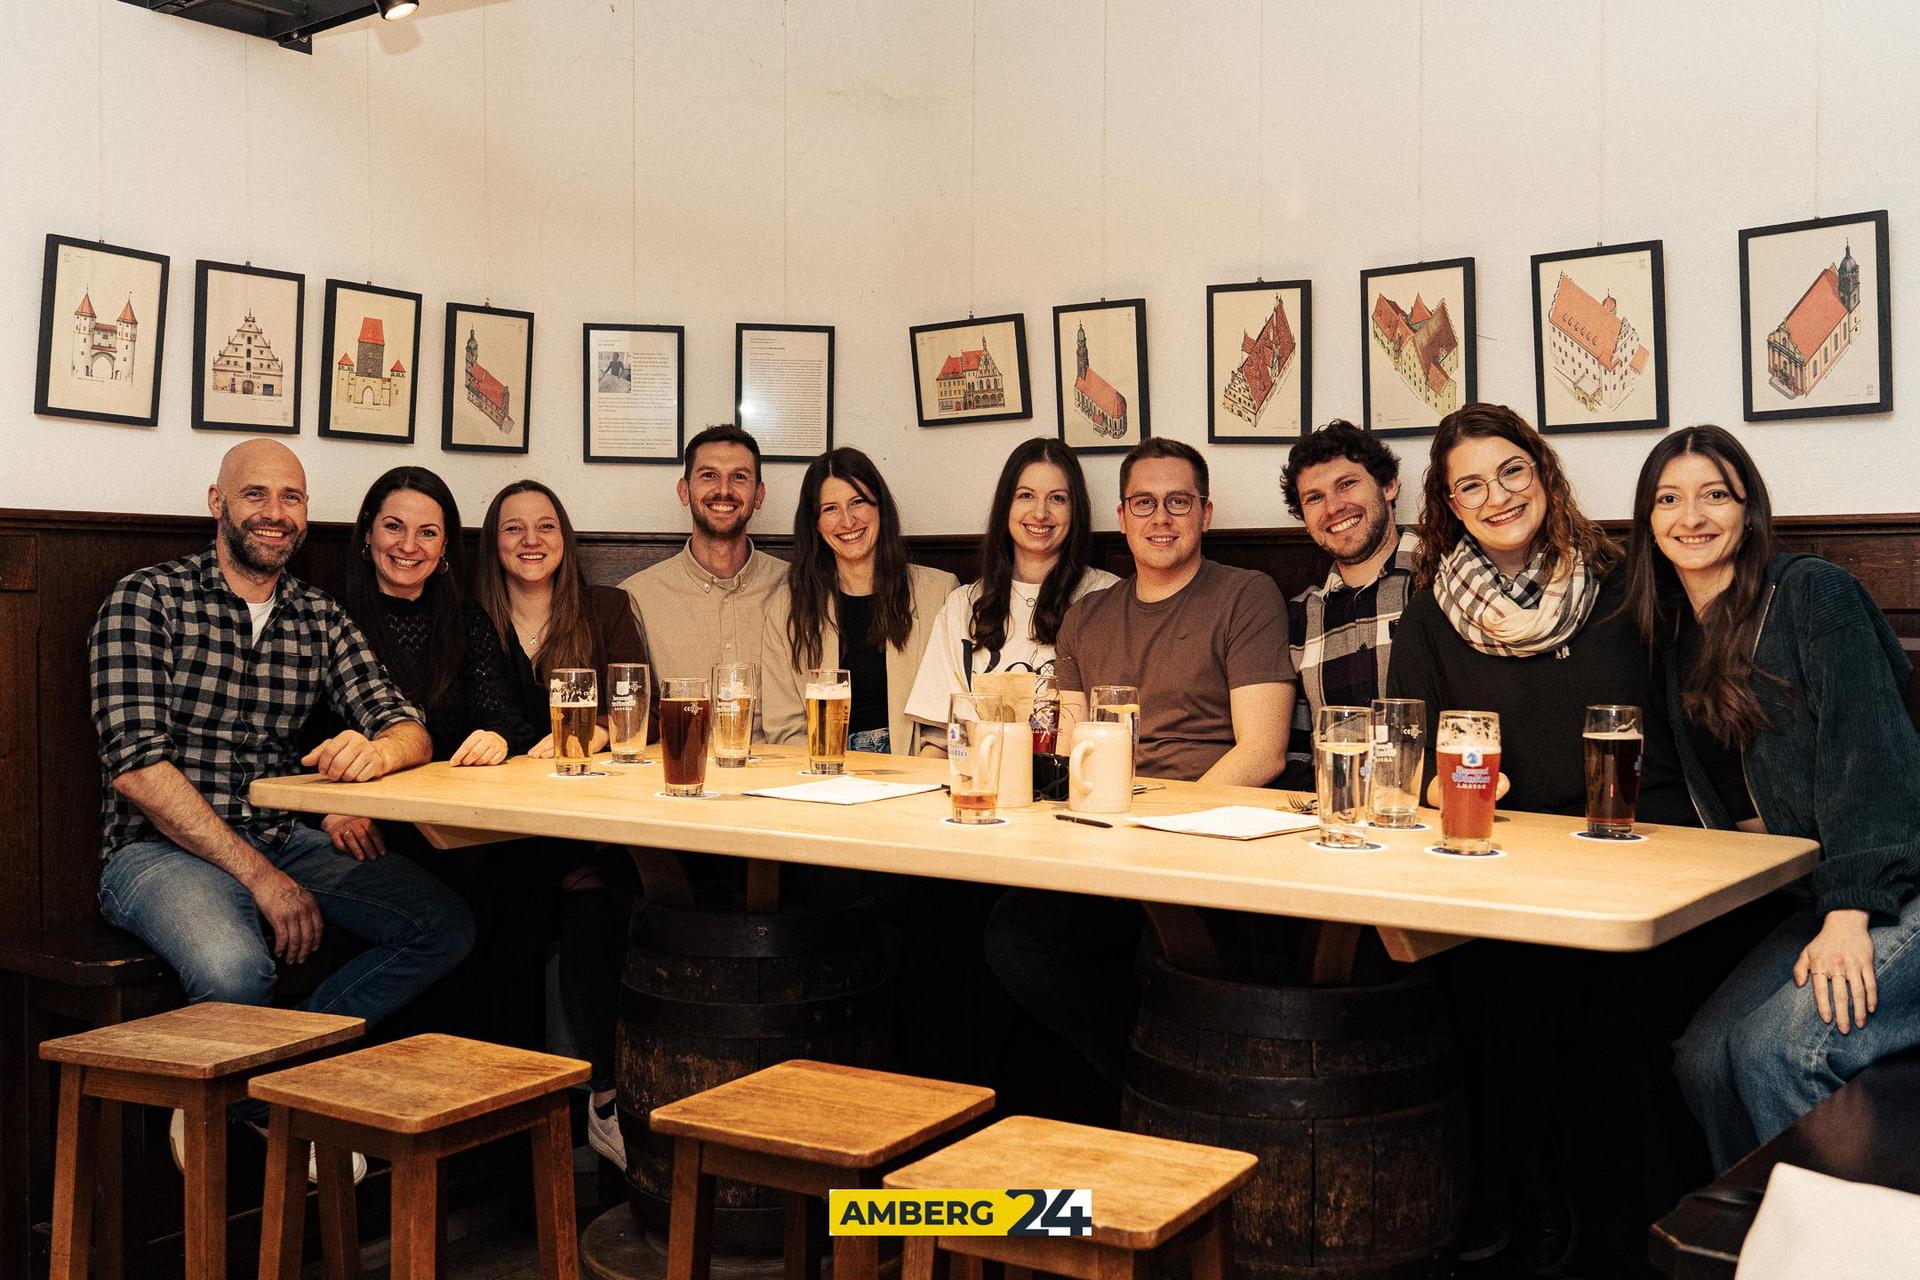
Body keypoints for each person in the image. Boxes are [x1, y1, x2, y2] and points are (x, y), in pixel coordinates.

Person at [89, 440, 473, 1173]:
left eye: (291, 498)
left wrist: (378, 752)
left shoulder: (317, 615)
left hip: (278, 835)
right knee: (239, 971)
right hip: (153, 851)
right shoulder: (146, 598)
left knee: (442, 925)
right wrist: (264, 879)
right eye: (256, 495)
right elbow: (138, 770)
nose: (275, 514)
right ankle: (285, 1104)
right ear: (217, 504)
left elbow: (407, 724)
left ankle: (249, 1087)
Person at [1384, 403, 1706, 1273]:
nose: (1497, 497)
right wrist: (1438, 786)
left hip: (1643, 856)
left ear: (1544, 471)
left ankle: (1630, 1228)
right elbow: (1407, 755)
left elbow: (1697, 728)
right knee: (1491, 990)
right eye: (1470, 486)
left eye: (1511, 471)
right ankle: (1533, 1209)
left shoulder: (1631, 581)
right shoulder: (1428, 619)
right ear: (1449, 506)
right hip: (1508, 867)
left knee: (1608, 1005)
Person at [1624, 426, 1920, 1172]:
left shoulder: (1813, 595)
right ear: (1648, 521)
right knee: (1700, 1059)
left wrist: (1851, 912)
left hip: (1895, 886)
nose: (1691, 516)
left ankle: (1847, 1251)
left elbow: (1874, 762)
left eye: (1714, 494)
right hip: (1811, 896)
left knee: (1775, 1052)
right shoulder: (1673, 639)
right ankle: (1757, 1239)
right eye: (1669, 498)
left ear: (1748, 510)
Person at [984, 437, 1292, 1108]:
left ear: (1205, 513)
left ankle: (1162, 1095)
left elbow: (1263, 751)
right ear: (1121, 518)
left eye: (1178, 502)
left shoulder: (1246, 594)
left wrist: (1159, 833)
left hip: (1208, 841)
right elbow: (1067, 749)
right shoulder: (1086, 617)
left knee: (1159, 955)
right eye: (1144, 503)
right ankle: (1146, 1082)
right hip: (1105, 839)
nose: (1161, 518)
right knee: (1011, 935)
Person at [475, 478, 654, 1167]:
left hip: (586, 819)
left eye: (545, 526)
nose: (530, 540)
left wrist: (596, 735)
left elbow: (641, 702)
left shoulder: (605, 607)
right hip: (499, 829)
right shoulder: (473, 619)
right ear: (494, 544)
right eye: (513, 528)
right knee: (519, 902)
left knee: (597, 890)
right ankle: (513, 1137)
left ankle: (603, 1102)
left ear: (565, 538)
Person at [904, 437, 1118, 755]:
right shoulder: (963, 605)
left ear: (1076, 511)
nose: (1040, 512)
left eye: (1057, 498)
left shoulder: (1107, 597)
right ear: (1006, 505)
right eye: (1025, 496)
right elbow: (939, 738)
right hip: (979, 786)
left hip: (1068, 786)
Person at [763, 447, 957, 755]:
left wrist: (917, 779)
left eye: (858, 502)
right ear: (815, 523)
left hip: (915, 771)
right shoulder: (787, 605)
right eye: (830, 509)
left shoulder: (940, 593)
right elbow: (785, 726)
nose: (847, 520)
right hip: (821, 774)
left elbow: (947, 718)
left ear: (880, 507)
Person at [1277, 421, 1418, 789]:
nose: (1334, 507)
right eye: (1315, 498)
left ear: (1389, 485)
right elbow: (1296, 755)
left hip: (1429, 809)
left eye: (1347, 484)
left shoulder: (1446, 580)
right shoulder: (1300, 615)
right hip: (1335, 817)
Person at [621, 424, 785, 736]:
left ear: (759, 495)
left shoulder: (796, 588)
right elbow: (632, 719)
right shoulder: (638, 597)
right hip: (679, 774)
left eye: (739, 477)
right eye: (709, 475)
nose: (724, 490)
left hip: (779, 776)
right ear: (684, 491)